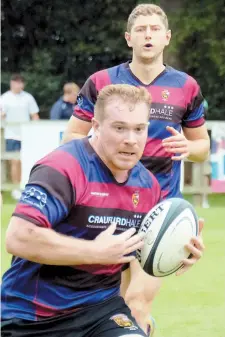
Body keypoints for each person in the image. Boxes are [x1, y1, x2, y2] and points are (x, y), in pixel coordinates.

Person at [1, 85, 204, 337]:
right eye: (120, 128)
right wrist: (94, 251)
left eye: (139, 129)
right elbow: (19, 237)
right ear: (96, 126)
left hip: (102, 311)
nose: (131, 139)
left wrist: (181, 248)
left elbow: (146, 246)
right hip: (32, 317)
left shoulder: (147, 185)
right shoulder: (63, 168)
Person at [62, 3, 209, 334]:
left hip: (160, 212)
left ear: (167, 37)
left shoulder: (186, 86)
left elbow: (202, 148)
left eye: (155, 29)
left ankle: (141, 322)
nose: (148, 35)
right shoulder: (102, 81)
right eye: (141, 30)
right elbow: (72, 135)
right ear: (129, 37)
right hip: (109, 206)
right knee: (108, 304)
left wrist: (189, 147)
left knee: (137, 301)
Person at [0, 74, 39, 200]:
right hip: (11, 134)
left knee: (25, 161)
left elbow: (34, 115)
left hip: (26, 135)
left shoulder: (28, 97)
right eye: (16, 82)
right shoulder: (5, 98)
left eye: (20, 82)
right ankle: (16, 188)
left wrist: (36, 129)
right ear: (11, 83)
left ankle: (25, 185)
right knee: (14, 161)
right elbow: (2, 114)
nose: (18, 85)